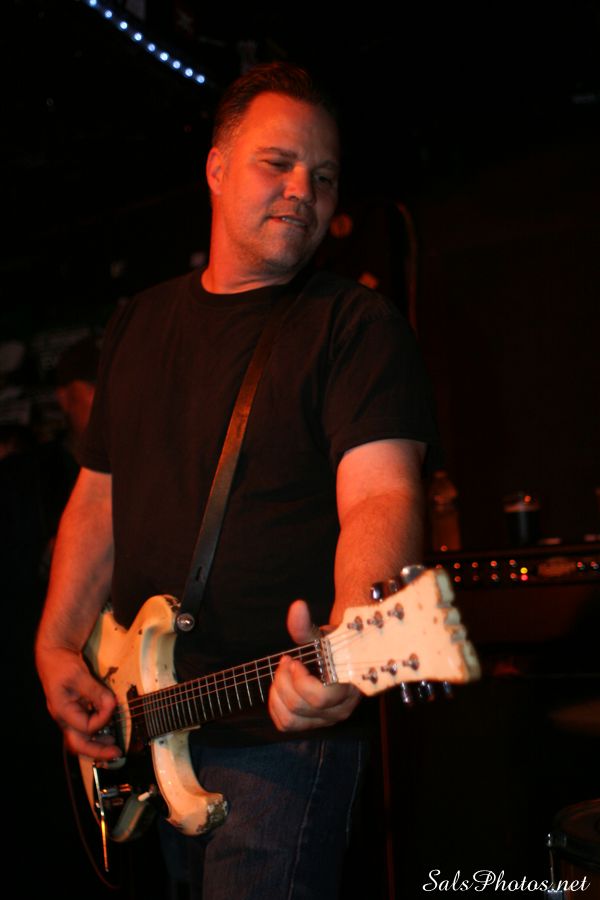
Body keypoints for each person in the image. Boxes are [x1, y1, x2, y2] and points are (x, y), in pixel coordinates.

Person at [35, 62, 440, 899]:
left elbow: (383, 494)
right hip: (142, 725)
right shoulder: (139, 323)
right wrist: (55, 643)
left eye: (324, 176)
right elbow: (98, 499)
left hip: (277, 738)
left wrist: (356, 635)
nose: (303, 191)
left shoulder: (355, 327)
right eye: (278, 163)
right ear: (216, 169)